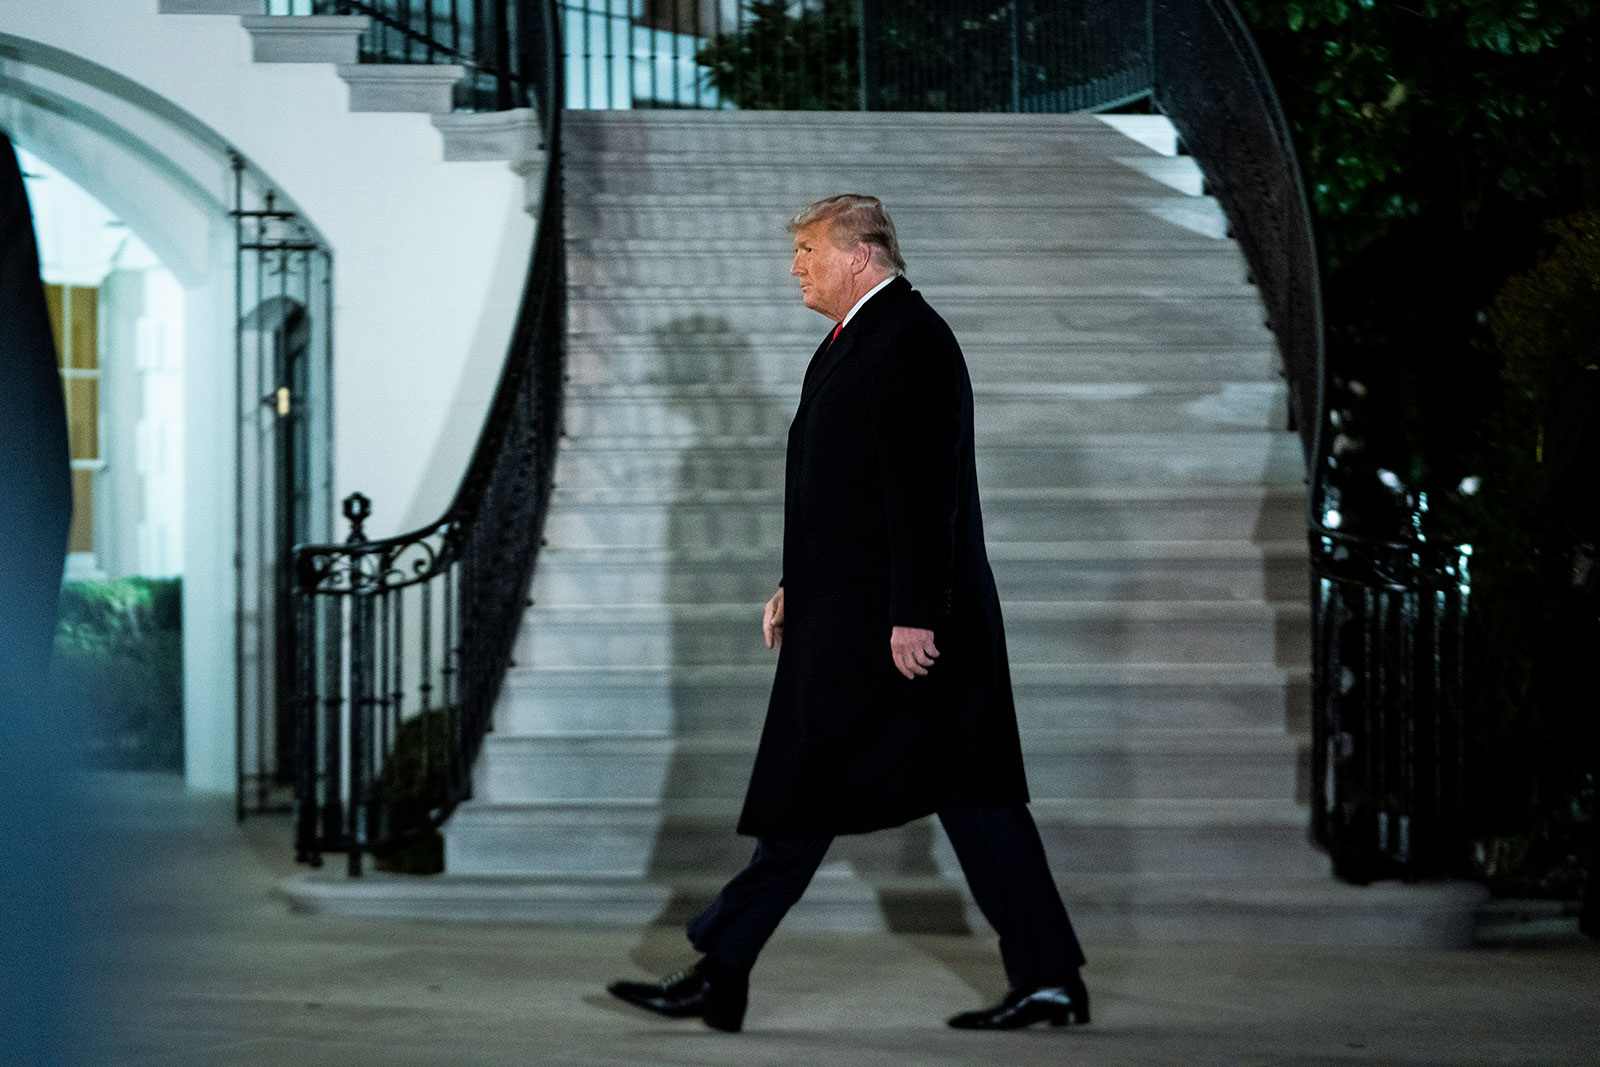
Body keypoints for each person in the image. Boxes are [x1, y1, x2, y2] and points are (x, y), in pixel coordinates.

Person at [607, 194, 1088, 1032]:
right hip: (859, 617)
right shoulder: (854, 340)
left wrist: (914, 615)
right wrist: (800, 582)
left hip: (903, 633)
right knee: (941, 797)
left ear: (861, 254)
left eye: (807, 250)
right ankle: (1044, 979)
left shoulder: (908, 338)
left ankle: (721, 968)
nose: (795, 266)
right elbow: (846, 495)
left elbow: (922, 490)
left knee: (871, 794)